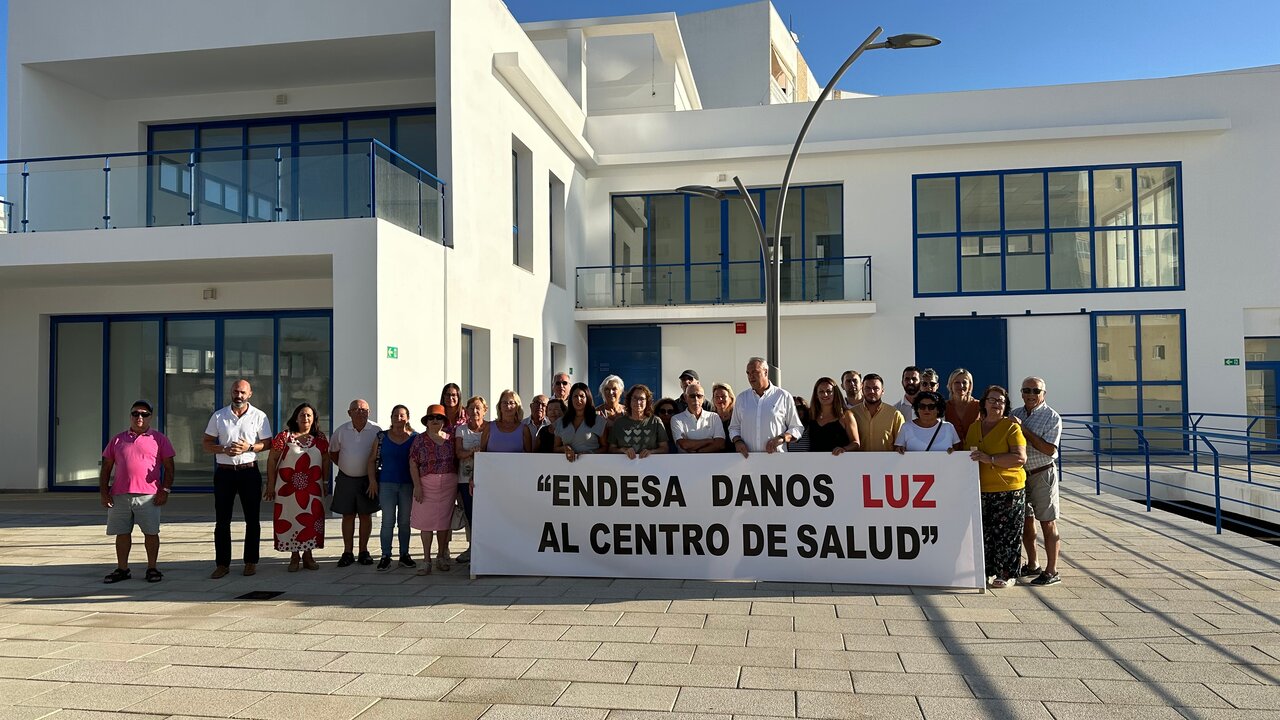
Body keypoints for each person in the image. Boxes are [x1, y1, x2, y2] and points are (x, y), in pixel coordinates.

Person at [203, 379, 272, 579]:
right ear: (230, 393)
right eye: (235, 392)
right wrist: (223, 449)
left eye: (242, 392)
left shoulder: (259, 416)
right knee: (222, 520)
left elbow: (267, 443)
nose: (238, 396)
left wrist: (248, 447)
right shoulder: (219, 416)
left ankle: (251, 562)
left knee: (252, 519)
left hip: (248, 471)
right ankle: (222, 564)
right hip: (224, 472)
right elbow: (206, 443)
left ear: (250, 394)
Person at [99, 401, 175, 584]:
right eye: (135, 414)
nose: (139, 417)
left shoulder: (159, 439)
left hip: (149, 496)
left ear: (150, 417)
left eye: (144, 414)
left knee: (151, 533)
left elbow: (169, 467)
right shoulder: (118, 439)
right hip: (120, 494)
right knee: (122, 533)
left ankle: (152, 568)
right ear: (130, 416)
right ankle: (123, 569)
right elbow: (106, 467)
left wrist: (165, 490)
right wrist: (104, 492)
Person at [967, 385, 1028, 589]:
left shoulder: (1011, 427)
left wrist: (990, 459)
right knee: (985, 533)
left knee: (1008, 534)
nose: (996, 404)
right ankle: (988, 570)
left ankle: (1008, 573)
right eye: (992, 400)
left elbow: (1020, 458)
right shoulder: (974, 427)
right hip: (981, 489)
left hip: (1008, 489)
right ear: (983, 403)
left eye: (1001, 401)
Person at [1011, 376, 1064, 586]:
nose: (1031, 395)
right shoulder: (1014, 414)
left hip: (1042, 473)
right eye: (1027, 390)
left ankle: (1052, 570)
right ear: (1021, 392)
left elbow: (1049, 449)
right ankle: (1033, 564)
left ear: (1044, 393)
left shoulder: (1052, 417)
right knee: (1025, 521)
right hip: (1021, 475)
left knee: (1047, 522)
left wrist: (1024, 430)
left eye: (1036, 391)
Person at [265, 402, 329, 572]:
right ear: (295, 417)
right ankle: (294, 555)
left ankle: (308, 554)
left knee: (310, 520)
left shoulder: (320, 438)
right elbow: (272, 460)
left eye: (309, 415)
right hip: (288, 490)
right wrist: (270, 485)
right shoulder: (284, 437)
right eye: (302, 414)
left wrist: (326, 482)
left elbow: (325, 460)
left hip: (313, 490)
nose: (305, 418)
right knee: (290, 519)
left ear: (314, 418)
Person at [328, 398, 381, 567]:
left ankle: (363, 551)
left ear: (369, 412)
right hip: (346, 479)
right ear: (349, 413)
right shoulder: (341, 431)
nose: (360, 412)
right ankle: (347, 551)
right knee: (348, 515)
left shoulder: (376, 430)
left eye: (363, 409)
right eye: (356, 409)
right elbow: (333, 453)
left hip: (368, 480)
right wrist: (348, 466)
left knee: (366, 515)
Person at [410, 405, 457, 574]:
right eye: (432, 418)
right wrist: (417, 486)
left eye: (439, 418)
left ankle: (441, 556)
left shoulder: (451, 438)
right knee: (426, 523)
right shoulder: (419, 440)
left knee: (444, 523)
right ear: (426, 422)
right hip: (426, 485)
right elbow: (413, 463)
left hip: (448, 485)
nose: (435, 421)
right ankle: (426, 559)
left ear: (444, 421)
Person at [371, 405, 417, 571]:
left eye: (402, 415)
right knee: (387, 521)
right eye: (396, 415)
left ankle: (404, 554)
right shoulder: (382, 437)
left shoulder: (414, 438)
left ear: (407, 418)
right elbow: (371, 460)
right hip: (386, 484)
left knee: (404, 522)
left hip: (407, 485)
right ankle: (385, 555)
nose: (399, 418)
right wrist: (372, 481)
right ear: (391, 418)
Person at [728, 357, 803, 457]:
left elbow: (797, 428)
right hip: (747, 461)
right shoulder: (742, 398)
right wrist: (738, 441)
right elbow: (734, 428)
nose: (751, 376)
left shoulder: (783, 396)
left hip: (776, 461)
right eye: (748, 373)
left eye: (755, 372)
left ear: (766, 372)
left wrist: (781, 438)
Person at [453, 396, 487, 564]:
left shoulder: (490, 428)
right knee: (470, 516)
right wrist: (473, 452)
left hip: (486, 480)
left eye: (478, 408)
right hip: (465, 480)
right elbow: (458, 453)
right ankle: (472, 547)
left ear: (484, 410)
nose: (474, 411)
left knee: (486, 515)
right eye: (471, 408)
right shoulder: (461, 430)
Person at [609, 384, 669, 458]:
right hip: (624, 466)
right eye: (635, 398)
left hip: (650, 465)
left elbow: (665, 448)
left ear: (647, 402)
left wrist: (651, 452)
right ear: (629, 400)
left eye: (642, 399)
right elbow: (611, 449)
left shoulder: (655, 421)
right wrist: (623, 450)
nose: (638, 402)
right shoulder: (619, 422)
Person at [851, 374, 905, 452]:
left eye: (876, 388)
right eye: (867, 388)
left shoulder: (895, 415)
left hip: (887, 463)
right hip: (858, 463)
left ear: (882, 391)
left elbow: (900, 445)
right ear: (862, 390)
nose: (871, 391)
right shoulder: (852, 413)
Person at [554, 382, 607, 461]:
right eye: (575, 396)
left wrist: (591, 453)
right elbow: (555, 448)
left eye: (582, 396)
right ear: (571, 399)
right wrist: (564, 448)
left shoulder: (599, 421)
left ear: (588, 398)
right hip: (567, 468)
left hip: (592, 467)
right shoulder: (561, 422)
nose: (578, 399)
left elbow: (606, 448)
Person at [893, 391, 959, 453]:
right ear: (917, 409)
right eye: (922, 406)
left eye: (931, 407)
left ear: (938, 409)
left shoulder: (949, 427)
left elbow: (958, 450)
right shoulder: (906, 427)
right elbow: (897, 450)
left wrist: (953, 451)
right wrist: (899, 449)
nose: (926, 409)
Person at [808, 377, 860, 455]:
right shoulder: (811, 415)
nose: (825, 394)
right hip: (814, 463)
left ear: (835, 393)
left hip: (839, 462)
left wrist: (844, 449)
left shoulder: (846, 415)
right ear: (816, 395)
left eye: (829, 391)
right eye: (821, 391)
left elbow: (856, 443)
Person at [671, 382, 725, 453]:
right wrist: (709, 440)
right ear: (685, 398)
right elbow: (684, 445)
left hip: (711, 462)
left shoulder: (714, 417)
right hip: (685, 463)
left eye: (699, 396)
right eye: (692, 396)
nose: (696, 399)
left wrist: (699, 451)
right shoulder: (676, 419)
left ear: (703, 398)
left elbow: (720, 444)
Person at [486, 390, 531, 456]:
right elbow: (481, 454)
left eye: (511, 403)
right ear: (500, 406)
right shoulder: (489, 427)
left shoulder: (524, 429)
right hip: (491, 466)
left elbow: (529, 456)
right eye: (504, 403)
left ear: (517, 407)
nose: (508, 406)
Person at [946, 368, 982, 442]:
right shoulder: (943, 407)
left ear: (970, 386)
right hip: (950, 451)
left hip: (974, 450)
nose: (961, 385)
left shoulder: (979, 406)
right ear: (950, 385)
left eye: (964, 382)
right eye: (957, 382)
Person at [711, 383, 736, 451]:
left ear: (731, 398)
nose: (720, 399)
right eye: (717, 396)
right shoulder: (709, 418)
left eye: (723, 396)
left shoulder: (737, 417)